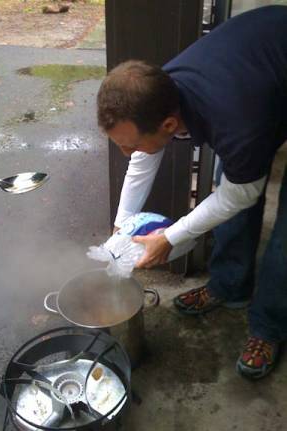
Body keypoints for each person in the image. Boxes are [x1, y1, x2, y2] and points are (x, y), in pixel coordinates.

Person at [96, 5, 287, 379]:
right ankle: (229, 286)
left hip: (258, 90)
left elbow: (242, 193)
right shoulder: (156, 93)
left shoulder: (235, 120)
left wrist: (171, 237)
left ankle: (269, 326)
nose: (125, 154)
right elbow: (143, 159)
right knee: (231, 175)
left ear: (169, 123)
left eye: (129, 144)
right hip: (261, 73)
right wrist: (121, 226)